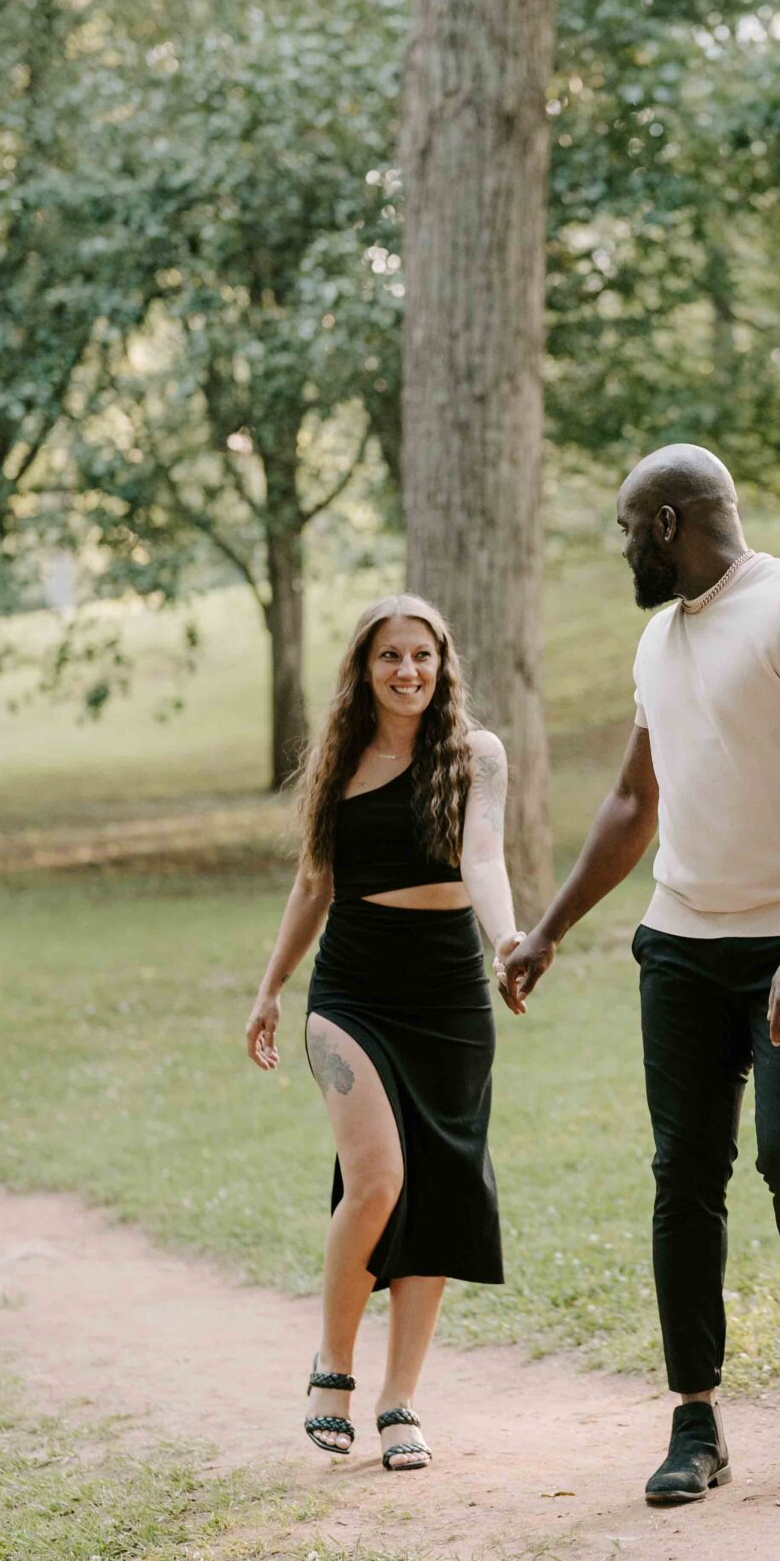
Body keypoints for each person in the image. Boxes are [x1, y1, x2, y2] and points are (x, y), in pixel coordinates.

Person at [503, 446, 780, 1507]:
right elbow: (634, 802)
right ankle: (696, 1419)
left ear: (667, 521)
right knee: (685, 1176)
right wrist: (547, 929)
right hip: (680, 943)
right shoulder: (657, 639)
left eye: (629, 528)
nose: (624, 548)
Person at [245, 593, 524, 1472]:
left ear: (442, 667)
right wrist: (270, 989)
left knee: (437, 1190)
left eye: (423, 656)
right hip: (355, 987)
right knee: (376, 1181)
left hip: (448, 994)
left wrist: (508, 940)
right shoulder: (337, 762)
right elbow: (312, 884)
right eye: (390, 656)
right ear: (363, 670)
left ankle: (401, 1401)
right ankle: (334, 1367)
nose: (408, 671)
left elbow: (482, 857)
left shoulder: (475, 756)